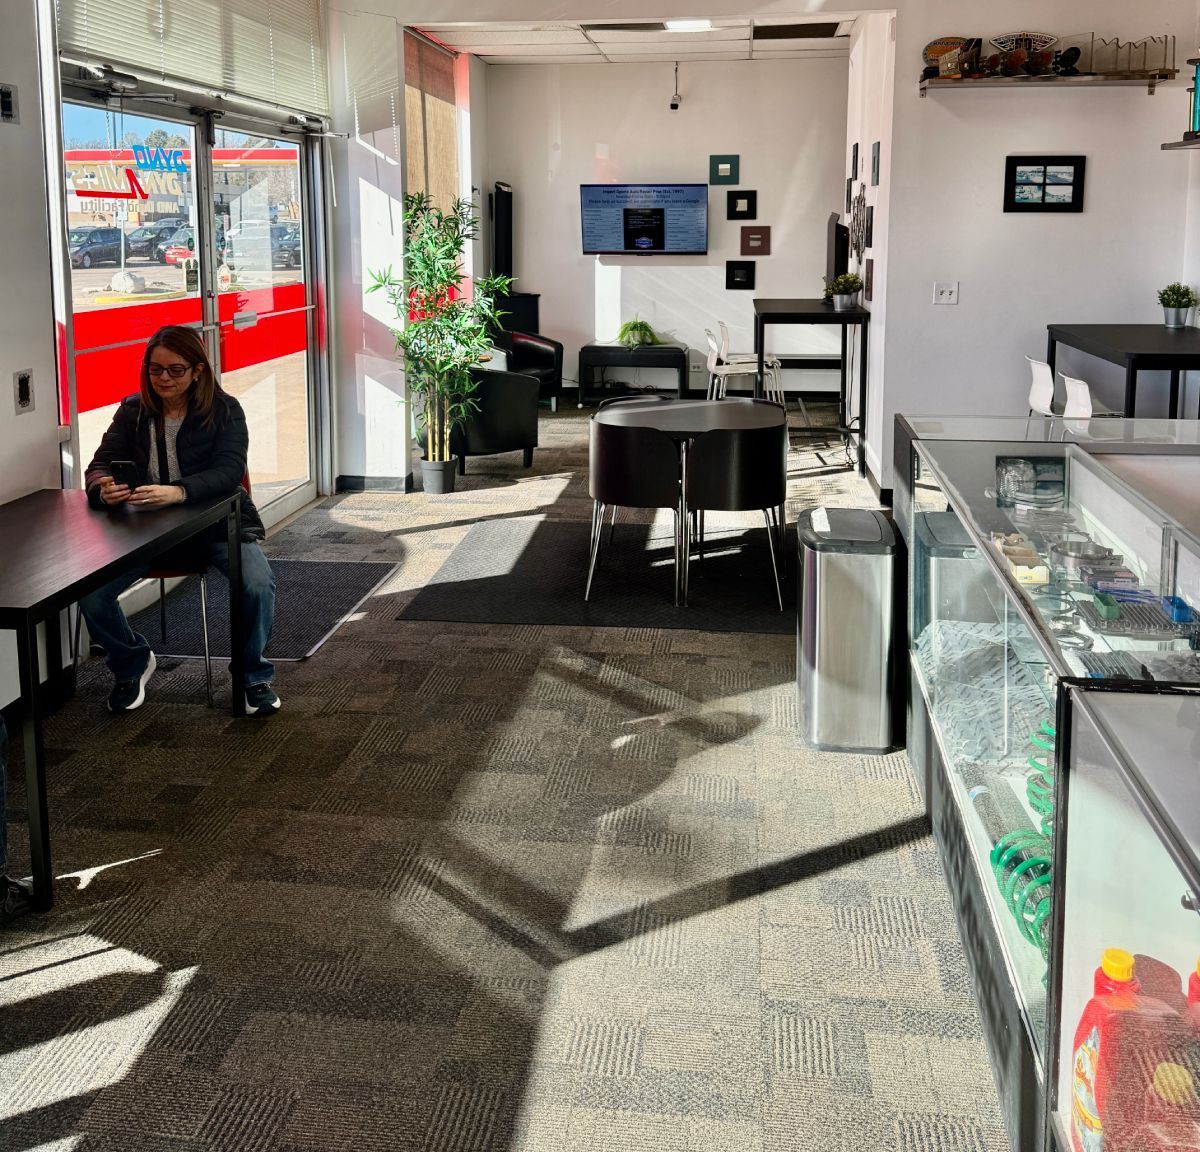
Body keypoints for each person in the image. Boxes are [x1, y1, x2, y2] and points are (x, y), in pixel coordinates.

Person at [80, 325, 280, 715]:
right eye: (155, 370)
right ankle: (132, 661)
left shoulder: (224, 410)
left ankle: (252, 676)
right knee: (90, 593)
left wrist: (180, 491)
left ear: (197, 371)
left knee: (257, 584)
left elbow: (229, 471)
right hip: (145, 531)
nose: (164, 379)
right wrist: (103, 486)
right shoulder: (132, 410)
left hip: (215, 523)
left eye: (175, 370)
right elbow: (99, 464)